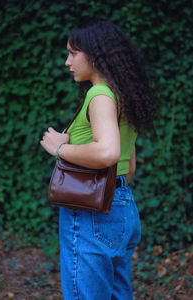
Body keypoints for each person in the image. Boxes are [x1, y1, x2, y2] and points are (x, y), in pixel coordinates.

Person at [40, 18, 155, 300]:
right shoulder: (121, 95)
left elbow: (107, 153)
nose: (67, 61)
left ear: (95, 54)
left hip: (92, 214)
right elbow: (128, 165)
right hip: (122, 207)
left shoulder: (100, 95)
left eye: (73, 53)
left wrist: (59, 148)